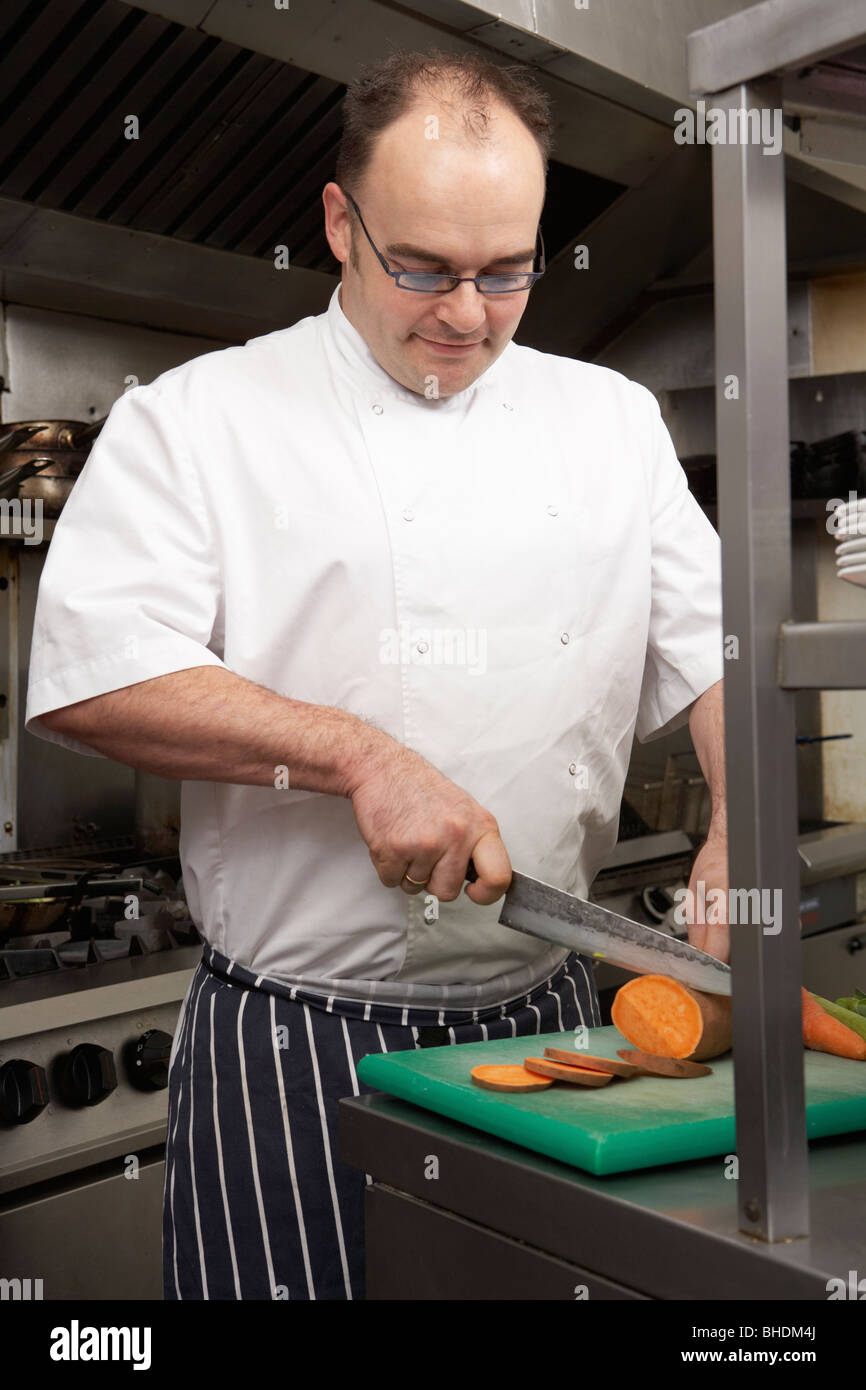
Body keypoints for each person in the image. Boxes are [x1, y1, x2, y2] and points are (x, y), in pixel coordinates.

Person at [25, 49, 728, 1300]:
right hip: (298, 1034)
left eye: (505, 272)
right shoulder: (199, 418)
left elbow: (713, 645)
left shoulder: (611, 420)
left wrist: (739, 821)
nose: (464, 312)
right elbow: (93, 672)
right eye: (422, 268)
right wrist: (355, 751)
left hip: (550, 1015)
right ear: (340, 224)